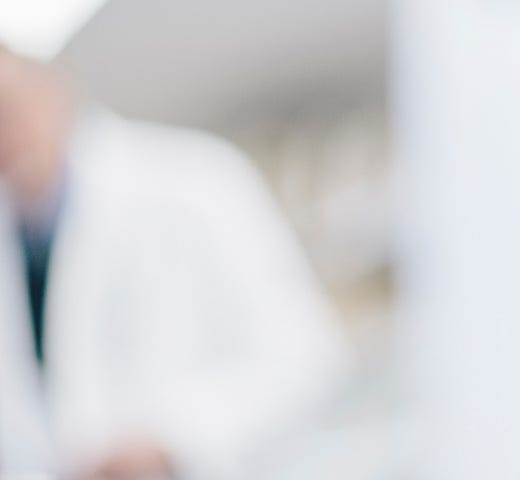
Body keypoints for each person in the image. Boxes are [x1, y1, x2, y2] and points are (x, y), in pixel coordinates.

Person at [0, 46, 347, 479]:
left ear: (53, 90)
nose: (4, 137)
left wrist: (170, 439)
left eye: (7, 110)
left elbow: (306, 357)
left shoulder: (193, 182)